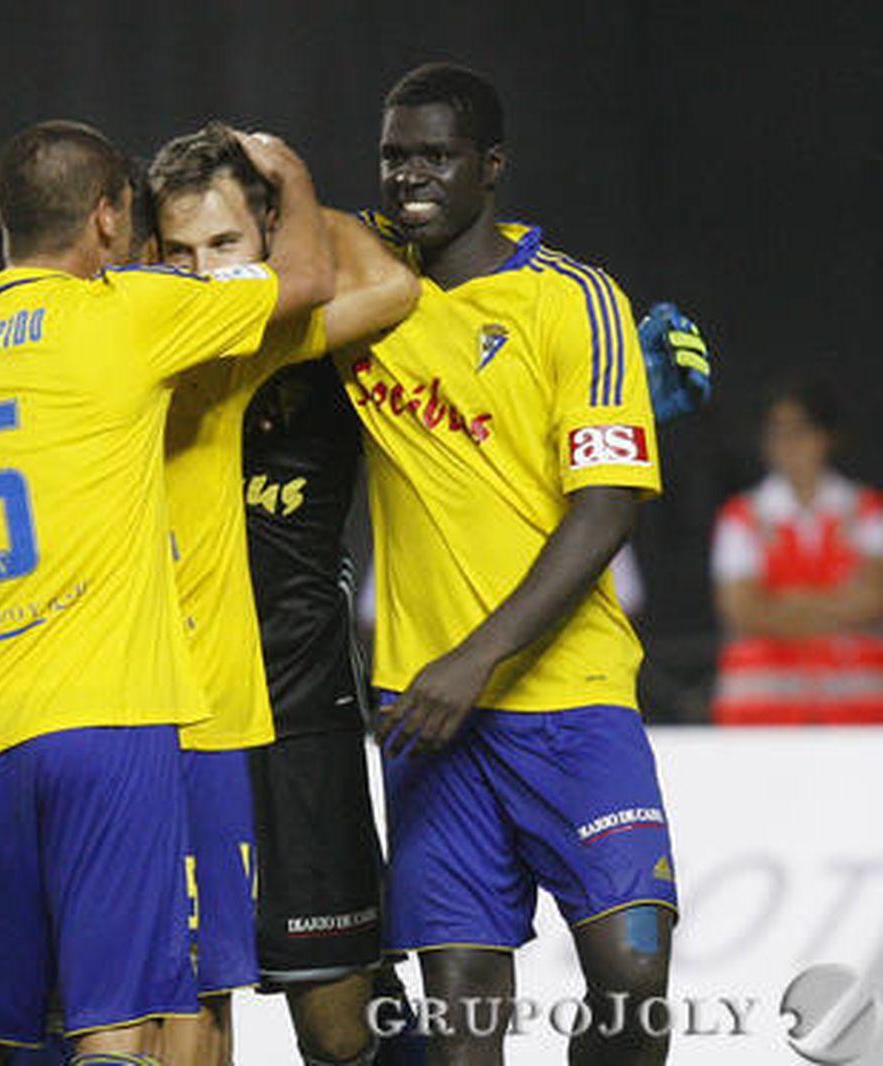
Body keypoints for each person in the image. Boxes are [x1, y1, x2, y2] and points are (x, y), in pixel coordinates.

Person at [0, 119, 335, 1065]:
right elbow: (306, 281)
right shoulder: (126, 314)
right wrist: (288, 178)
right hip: (112, 724)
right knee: (115, 1022)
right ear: (105, 219)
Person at [347, 64, 678, 1064]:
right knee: (459, 1019)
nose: (412, 176)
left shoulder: (574, 299)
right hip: (426, 717)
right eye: (395, 155)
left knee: (633, 977)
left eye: (436, 155)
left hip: (569, 704)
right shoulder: (367, 300)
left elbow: (605, 507)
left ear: (489, 167)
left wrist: (476, 659)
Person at [146, 124, 418, 1066]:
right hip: (175, 710)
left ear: (269, 233)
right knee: (183, 1012)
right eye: (179, 252)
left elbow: (397, 287)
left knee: (340, 1026)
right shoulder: (154, 348)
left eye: (224, 244)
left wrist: (293, 190)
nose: (205, 271)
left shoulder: (316, 338)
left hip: (303, 708)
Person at [711, 380, 883, 723]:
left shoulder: (867, 510)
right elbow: (742, 611)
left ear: (826, 437)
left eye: (799, 431)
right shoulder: (740, 516)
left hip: (858, 714)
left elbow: (875, 600)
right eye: (777, 432)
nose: (788, 445)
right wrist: (836, 605)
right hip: (761, 716)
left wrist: (785, 603)